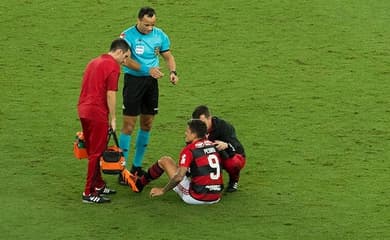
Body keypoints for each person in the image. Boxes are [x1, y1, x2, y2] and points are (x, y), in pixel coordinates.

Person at [118, 6, 179, 182]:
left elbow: (168, 56)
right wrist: (147, 69)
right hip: (133, 82)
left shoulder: (160, 35)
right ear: (138, 20)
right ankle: (122, 169)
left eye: (152, 24)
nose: (150, 28)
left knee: (147, 123)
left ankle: (136, 167)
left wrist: (173, 72)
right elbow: (126, 60)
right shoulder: (127, 36)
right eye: (146, 25)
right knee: (129, 125)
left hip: (151, 84)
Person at [77, 38, 130, 203]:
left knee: (94, 148)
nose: (125, 61)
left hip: (83, 109)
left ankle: (98, 184)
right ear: (119, 52)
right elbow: (111, 93)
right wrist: (113, 118)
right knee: (96, 153)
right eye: (126, 57)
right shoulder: (113, 66)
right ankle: (88, 192)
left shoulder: (94, 61)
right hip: (97, 113)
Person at [132, 119, 224, 205]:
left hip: (196, 197)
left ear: (194, 135)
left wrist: (163, 190)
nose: (185, 134)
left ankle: (139, 184)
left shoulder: (189, 150)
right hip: (216, 196)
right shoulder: (213, 145)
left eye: (187, 131)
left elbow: (178, 177)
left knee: (165, 161)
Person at [192, 105, 246, 192]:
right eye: (198, 124)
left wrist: (226, 145)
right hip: (208, 155)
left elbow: (236, 146)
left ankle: (234, 180)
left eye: (203, 123)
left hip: (230, 154)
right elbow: (189, 148)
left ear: (210, 118)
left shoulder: (224, 127)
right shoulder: (194, 129)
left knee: (233, 163)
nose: (200, 127)